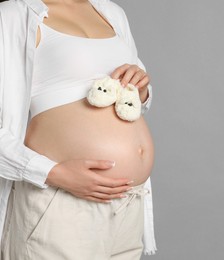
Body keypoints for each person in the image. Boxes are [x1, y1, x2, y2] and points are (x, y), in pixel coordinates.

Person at [0, 0, 157, 258]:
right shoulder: (14, 15)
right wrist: (52, 173)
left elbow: (132, 101)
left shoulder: (112, 13)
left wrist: (140, 90)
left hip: (127, 205)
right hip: (60, 202)